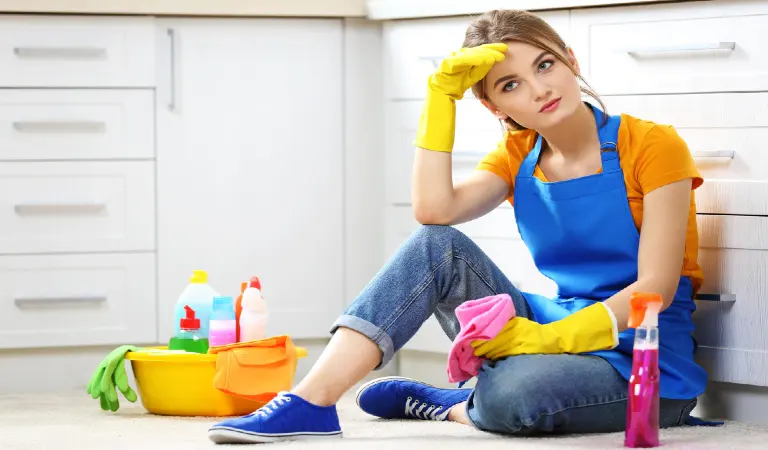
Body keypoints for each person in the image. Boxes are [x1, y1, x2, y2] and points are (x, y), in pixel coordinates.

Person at [207, 8, 707, 444]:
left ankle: (456, 404)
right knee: (436, 246)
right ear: (494, 107)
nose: (539, 89)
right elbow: (434, 211)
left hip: (647, 364)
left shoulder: (652, 145)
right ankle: (311, 402)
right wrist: (440, 99)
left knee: (517, 394)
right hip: (551, 325)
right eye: (510, 85)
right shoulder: (518, 157)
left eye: (545, 65)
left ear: (571, 60)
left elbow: (656, 288)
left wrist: (542, 342)